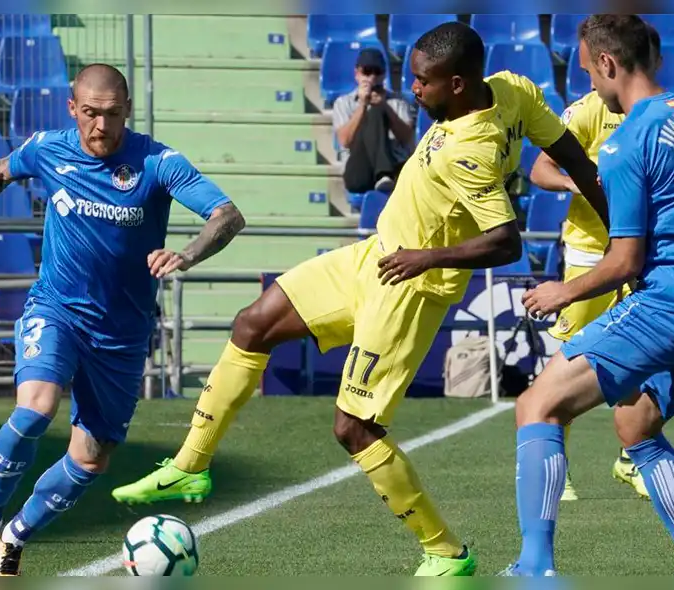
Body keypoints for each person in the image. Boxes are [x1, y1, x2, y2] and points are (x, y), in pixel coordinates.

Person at [111, 21, 607, 576]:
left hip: (410, 286)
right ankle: (191, 463)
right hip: (375, 255)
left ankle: (444, 552)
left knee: (354, 428)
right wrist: (615, 220)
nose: (414, 89)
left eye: (424, 82)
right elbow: (569, 150)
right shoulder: (513, 87)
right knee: (253, 322)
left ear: (460, 84)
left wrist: (426, 257)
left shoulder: (472, 149)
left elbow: (506, 240)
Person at [0, 64, 245, 576]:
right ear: (73, 108)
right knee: (36, 408)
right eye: (90, 113)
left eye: (111, 114)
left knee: (91, 458)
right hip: (56, 310)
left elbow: (227, 214)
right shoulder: (49, 148)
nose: (100, 126)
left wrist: (189, 254)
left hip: (123, 335)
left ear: (127, 110)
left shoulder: (157, 162)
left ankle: (15, 535)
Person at [507, 15, 674, 576]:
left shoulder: (624, 142)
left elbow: (624, 263)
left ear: (609, 64)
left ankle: (533, 566)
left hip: (672, 304)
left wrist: (561, 291)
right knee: (635, 423)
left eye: (590, 72)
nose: (591, 83)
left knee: (536, 405)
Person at [527, 26, 662, 502]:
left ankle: (632, 458)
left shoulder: (652, 115)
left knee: (645, 354)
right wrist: (578, 184)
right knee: (566, 356)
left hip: (642, 252)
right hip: (589, 252)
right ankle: (554, 467)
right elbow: (539, 168)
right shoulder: (586, 111)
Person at [333, 47, 416, 194]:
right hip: (359, 170)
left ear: (384, 76)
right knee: (374, 112)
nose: (371, 78)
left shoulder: (398, 102)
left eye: (377, 72)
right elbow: (345, 141)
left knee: (378, 110)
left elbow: (406, 138)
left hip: (395, 167)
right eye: (367, 71)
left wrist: (384, 106)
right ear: (357, 74)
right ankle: (383, 174)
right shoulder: (343, 103)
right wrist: (363, 106)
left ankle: (384, 174)